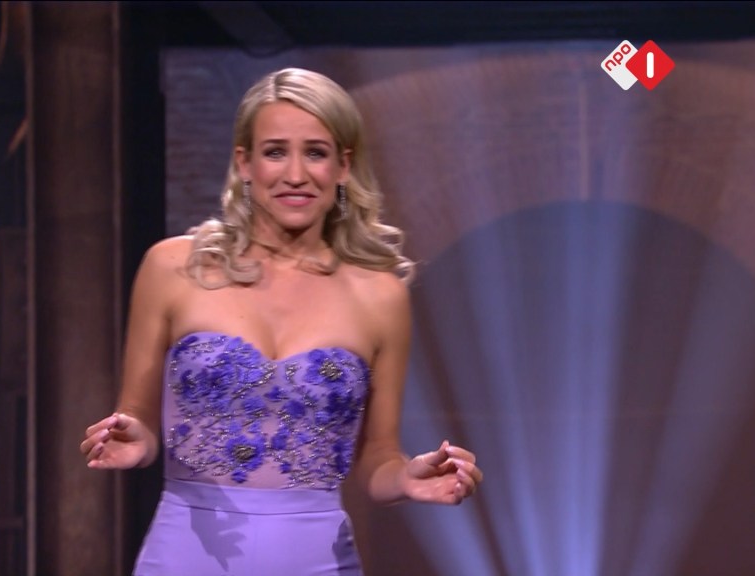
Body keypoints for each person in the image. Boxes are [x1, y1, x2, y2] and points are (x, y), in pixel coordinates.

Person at [81, 67, 484, 575]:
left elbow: (377, 456)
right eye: (275, 152)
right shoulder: (173, 268)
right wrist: (135, 440)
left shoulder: (379, 295)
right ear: (244, 162)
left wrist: (405, 478)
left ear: (343, 166)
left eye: (315, 152)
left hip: (317, 559)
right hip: (187, 552)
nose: (295, 174)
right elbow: (136, 414)